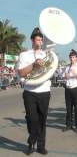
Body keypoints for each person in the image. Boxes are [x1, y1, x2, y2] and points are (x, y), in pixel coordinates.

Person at [16, 27, 51, 155]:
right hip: (30, 91)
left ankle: (40, 146)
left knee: (42, 120)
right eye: (37, 39)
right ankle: (31, 141)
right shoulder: (24, 55)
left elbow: (50, 71)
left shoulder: (46, 55)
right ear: (32, 40)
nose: (40, 42)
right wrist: (33, 65)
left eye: (41, 40)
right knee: (32, 119)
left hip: (44, 91)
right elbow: (21, 72)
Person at [62, 49, 77, 133]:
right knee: (69, 108)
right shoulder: (67, 66)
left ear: (76, 58)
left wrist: (76, 74)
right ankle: (68, 125)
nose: (72, 59)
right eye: (70, 57)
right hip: (68, 89)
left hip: (76, 88)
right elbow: (63, 76)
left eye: (73, 57)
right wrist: (66, 75)